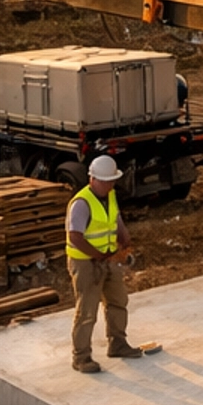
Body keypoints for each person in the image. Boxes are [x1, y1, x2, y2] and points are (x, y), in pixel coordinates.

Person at [66, 153, 140, 374]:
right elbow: (75, 237)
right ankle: (81, 358)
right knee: (87, 310)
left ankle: (118, 343)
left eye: (112, 181)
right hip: (86, 263)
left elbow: (115, 220)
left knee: (118, 301)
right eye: (106, 181)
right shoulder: (81, 203)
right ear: (92, 179)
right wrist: (98, 256)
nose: (110, 185)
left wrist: (124, 240)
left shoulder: (110, 196)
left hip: (108, 259)